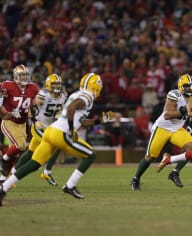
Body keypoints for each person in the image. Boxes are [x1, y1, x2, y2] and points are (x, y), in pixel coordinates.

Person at [0, 73, 111, 206]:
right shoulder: (87, 96)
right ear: (95, 86)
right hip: (59, 133)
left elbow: (80, 120)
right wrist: (70, 130)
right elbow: (71, 108)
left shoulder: (74, 94)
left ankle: (3, 188)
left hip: (50, 131)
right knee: (90, 155)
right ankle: (69, 185)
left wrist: (99, 121)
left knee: (34, 163)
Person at [130, 74, 192, 190]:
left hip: (177, 129)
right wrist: (183, 112)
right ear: (181, 86)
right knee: (150, 156)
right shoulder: (174, 94)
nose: (190, 89)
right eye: (187, 86)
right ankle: (135, 179)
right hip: (163, 128)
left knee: (191, 148)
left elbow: (189, 114)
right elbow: (167, 115)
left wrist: (188, 123)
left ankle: (175, 172)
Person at [11, 74, 67, 186]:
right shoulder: (43, 95)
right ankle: (47, 172)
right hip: (39, 126)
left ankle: (12, 173)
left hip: (50, 127)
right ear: (48, 84)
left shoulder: (63, 95)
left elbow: (58, 112)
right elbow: (31, 108)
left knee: (30, 152)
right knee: (56, 144)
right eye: (54, 84)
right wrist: (34, 120)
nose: (57, 86)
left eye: (58, 84)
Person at [0, 65, 39, 182]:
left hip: (22, 123)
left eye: (26, 75)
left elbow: (34, 106)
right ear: (16, 76)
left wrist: (34, 115)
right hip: (9, 122)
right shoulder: (7, 86)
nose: (24, 78)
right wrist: (7, 114)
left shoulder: (33, 88)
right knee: (21, 146)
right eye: (22, 75)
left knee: (16, 153)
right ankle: (4, 159)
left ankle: (2, 178)